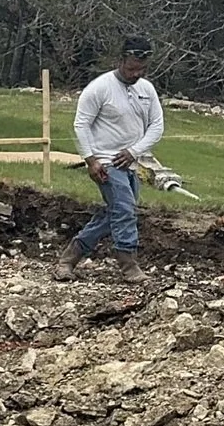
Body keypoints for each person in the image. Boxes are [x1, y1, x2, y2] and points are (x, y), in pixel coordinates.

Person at [59, 36, 165, 275]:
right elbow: (81, 124)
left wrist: (133, 151)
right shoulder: (100, 88)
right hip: (106, 163)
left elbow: (156, 126)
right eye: (131, 68)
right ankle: (129, 264)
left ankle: (69, 258)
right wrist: (91, 159)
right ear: (121, 60)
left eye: (141, 69)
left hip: (130, 163)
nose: (136, 74)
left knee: (114, 213)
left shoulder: (146, 90)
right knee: (125, 209)